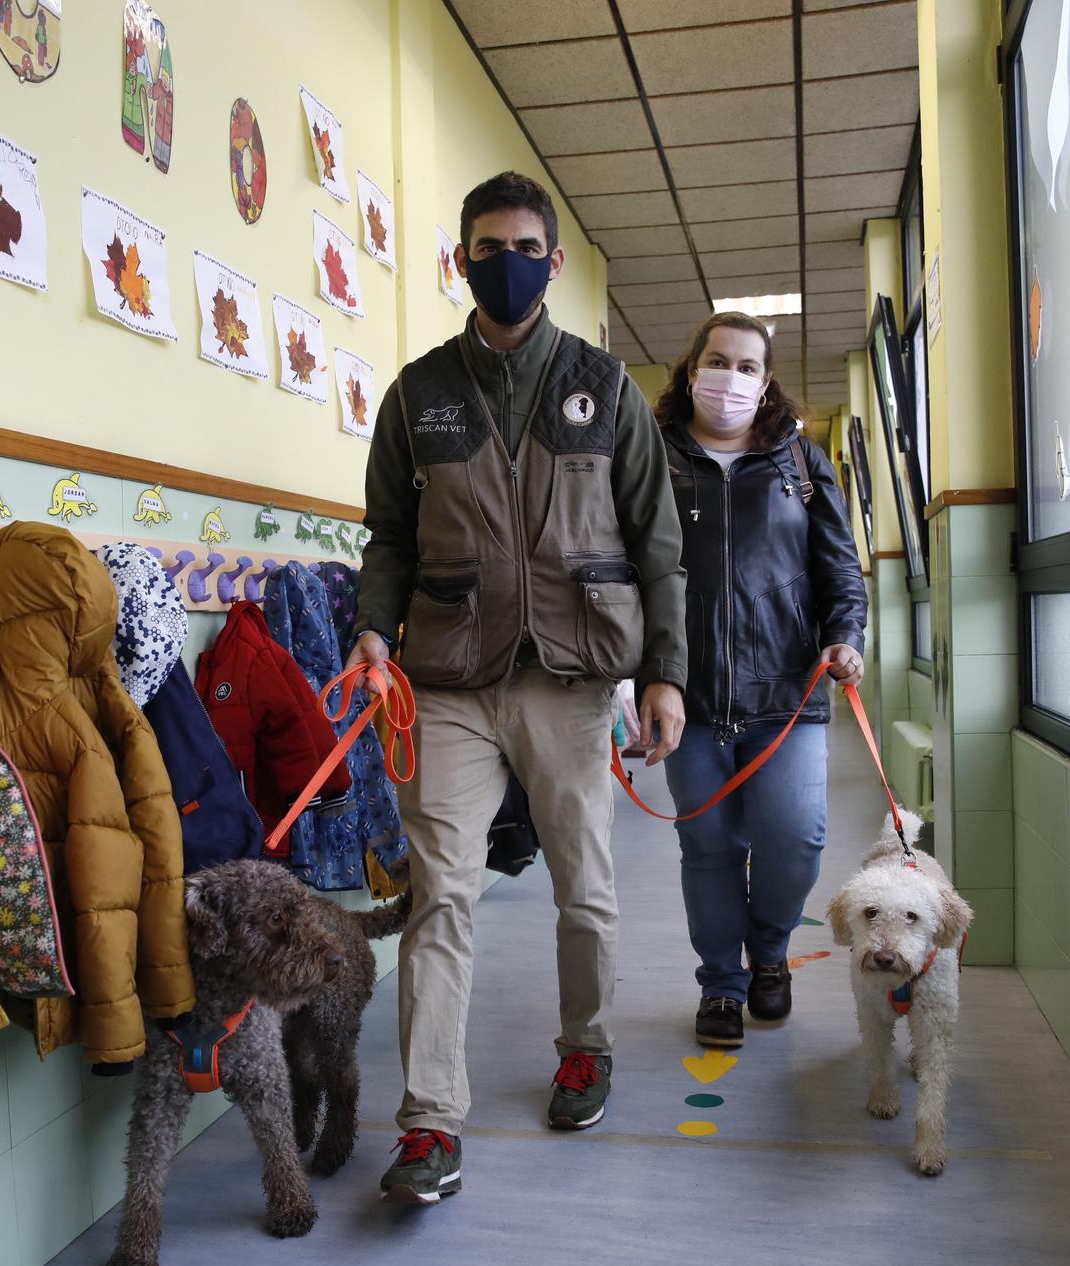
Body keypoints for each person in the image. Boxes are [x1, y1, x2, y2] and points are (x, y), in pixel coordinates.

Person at [346, 171, 688, 1205]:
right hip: (445, 677)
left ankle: (584, 1047)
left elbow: (657, 544)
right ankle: (427, 1126)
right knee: (439, 893)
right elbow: (388, 539)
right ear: (462, 261)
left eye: (524, 246)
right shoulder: (418, 393)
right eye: (486, 247)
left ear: (552, 260)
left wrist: (664, 674)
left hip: (572, 679)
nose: (507, 263)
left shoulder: (605, 385)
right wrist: (370, 632)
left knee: (582, 887)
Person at [650, 312, 867, 1049]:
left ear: (766, 381)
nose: (732, 377)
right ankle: (720, 984)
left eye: (748, 366)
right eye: (718, 360)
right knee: (709, 848)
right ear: (691, 368)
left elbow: (839, 567)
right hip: (689, 698)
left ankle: (769, 949)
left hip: (787, 692)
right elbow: (628, 572)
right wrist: (648, 674)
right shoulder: (652, 461)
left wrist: (845, 636)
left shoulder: (800, 464)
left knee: (796, 838)